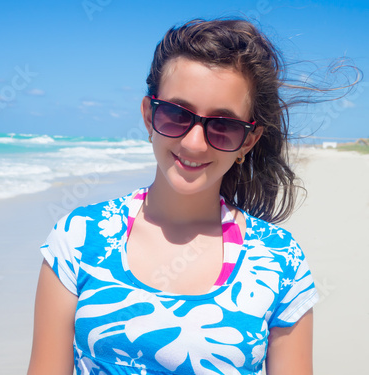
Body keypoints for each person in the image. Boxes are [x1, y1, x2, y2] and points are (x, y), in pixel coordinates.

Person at [27, 18, 319, 375]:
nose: (194, 143)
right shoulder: (76, 239)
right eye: (176, 115)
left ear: (248, 141)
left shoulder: (281, 261)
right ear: (149, 116)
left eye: (223, 126)